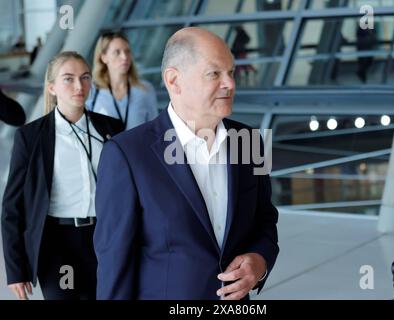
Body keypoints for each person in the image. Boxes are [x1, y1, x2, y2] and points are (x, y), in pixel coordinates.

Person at [94, 27, 279, 300]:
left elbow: (265, 219)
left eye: (230, 72)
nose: (229, 83)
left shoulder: (249, 141)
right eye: (214, 74)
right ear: (174, 81)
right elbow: (116, 267)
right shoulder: (126, 155)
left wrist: (260, 261)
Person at [1, 51, 124, 300]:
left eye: (85, 77)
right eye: (68, 78)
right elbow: (12, 207)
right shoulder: (32, 136)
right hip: (57, 245)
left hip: (105, 239)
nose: (79, 86)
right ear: (52, 87)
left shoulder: (112, 129)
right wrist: (16, 270)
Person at [87, 31, 158, 130]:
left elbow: (155, 130)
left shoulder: (145, 90)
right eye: (117, 52)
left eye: (127, 51)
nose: (124, 57)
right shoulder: (92, 92)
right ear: (104, 57)